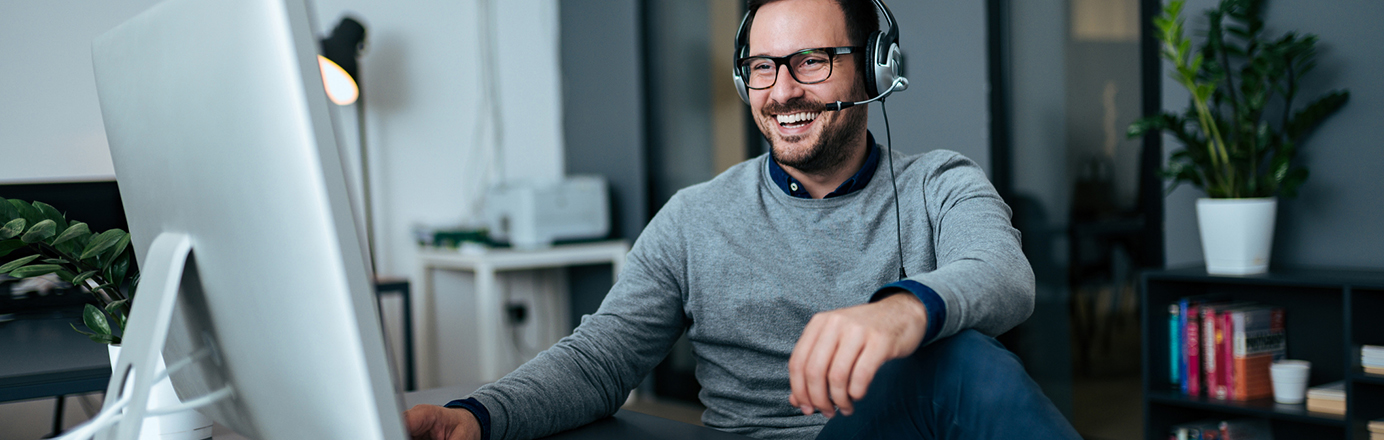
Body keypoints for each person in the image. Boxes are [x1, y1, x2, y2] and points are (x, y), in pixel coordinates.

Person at [405, 0, 1080, 439]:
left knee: (957, 360)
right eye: (762, 67)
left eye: (811, 61)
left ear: (875, 67)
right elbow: (600, 358)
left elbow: (1003, 275)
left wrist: (904, 311)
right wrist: (479, 415)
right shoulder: (694, 218)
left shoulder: (940, 183)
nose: (783, 90)